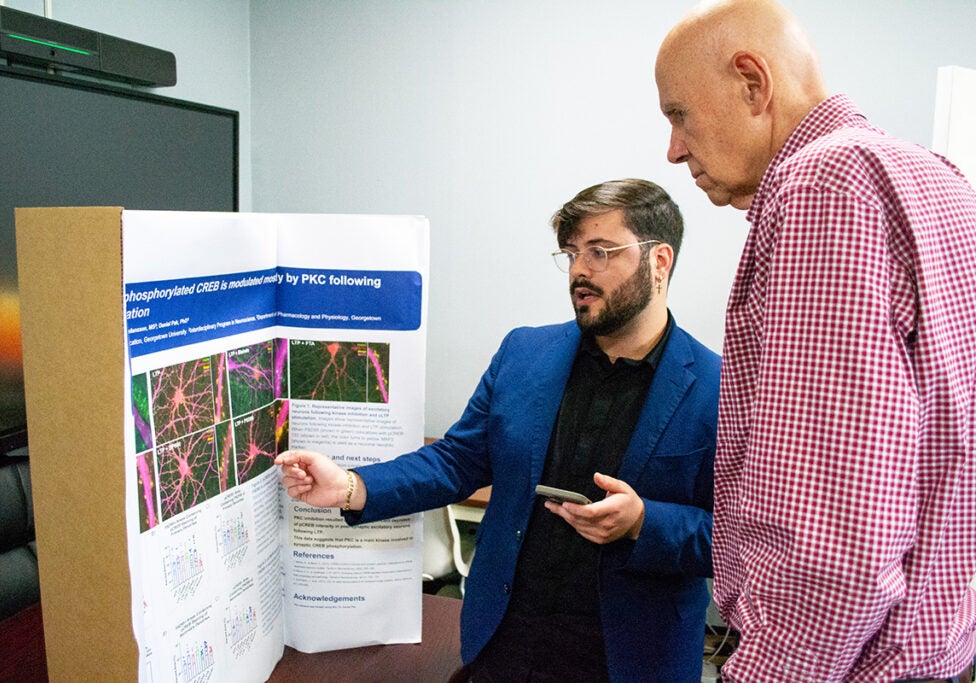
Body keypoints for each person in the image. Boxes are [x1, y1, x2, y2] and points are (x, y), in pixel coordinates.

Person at [276, 178, 721, 682]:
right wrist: (352, 486)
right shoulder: (524, 354)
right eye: (572, 253)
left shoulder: (720, 387)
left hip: (629, 659)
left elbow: (739, 538)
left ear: (659, 261)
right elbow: (458, 460)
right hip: (504, 643)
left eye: (600, 252)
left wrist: (644, 522)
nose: (579, 270)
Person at [655, 1, 976, 681]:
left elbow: (835, 534)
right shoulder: (936, 176)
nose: (674, 149)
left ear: (752, 82)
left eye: (678, 114)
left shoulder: (824, 183)